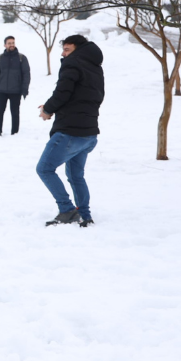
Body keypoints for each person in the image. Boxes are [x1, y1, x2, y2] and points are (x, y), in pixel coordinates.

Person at [37, 34, 105, 228]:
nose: (63, 53)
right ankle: (84, 214)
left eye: (67, 49)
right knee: (76, 175)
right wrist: (55, 107)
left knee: (44, 169)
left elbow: (63, 92)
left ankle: (67, 209)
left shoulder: (72, 64)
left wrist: (48, 110)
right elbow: (85, 97)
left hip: (70, 132)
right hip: (89, 133)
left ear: (78, 49)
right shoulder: (95, 67)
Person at [0, 35, 31, 136]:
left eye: (13, 43)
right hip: (2, 90)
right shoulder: (0, 58)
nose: (11, 45)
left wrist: (25, 88)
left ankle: (15, 132)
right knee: (0, 110)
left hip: (16, 90)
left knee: (15, 112)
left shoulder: (21, 58)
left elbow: (26, 74)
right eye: (9, 43)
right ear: (5, 45)